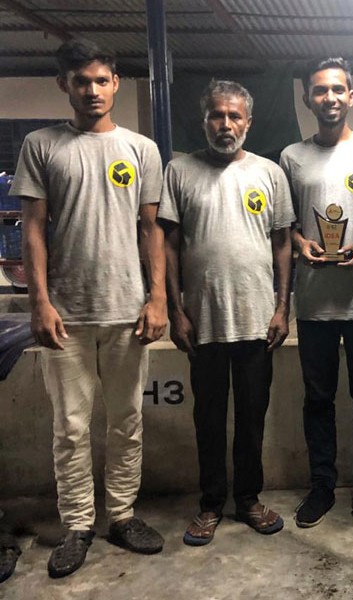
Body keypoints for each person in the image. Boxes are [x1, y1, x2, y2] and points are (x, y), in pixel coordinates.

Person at [12, 39, 167, 578]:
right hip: (67, 315)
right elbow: (32, 227)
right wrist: (40, 302)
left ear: (116, 83)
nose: (93, 91)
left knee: (126, 421)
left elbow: (152, 229)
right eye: (82, 82)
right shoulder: (41, 144)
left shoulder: (142, 149)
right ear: (65, 86)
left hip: (127, 311)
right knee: (71, 427)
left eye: (102, 80)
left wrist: (157, 298)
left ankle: (122, 515)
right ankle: (78, 524)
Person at [159, 80, 294, 546]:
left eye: (235, 117)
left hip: (257, 321)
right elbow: (170, 244)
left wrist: (282, 308)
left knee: (253, 417)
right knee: (210, 419)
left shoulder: (270, 173)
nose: (226, 125)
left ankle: (249, 500)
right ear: (205, 121)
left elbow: (282, 243)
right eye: (217, 116)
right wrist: (176, 311)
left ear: (249, 123)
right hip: (204, 323)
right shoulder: (179, 170)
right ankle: (211, 504)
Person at [280, 58, 353, 528]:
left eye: (338, 89)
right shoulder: (291, 157)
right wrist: (301, 242)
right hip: (314, 300)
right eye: (320, 90)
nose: (330, 98)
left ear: (352, 96)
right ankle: (322, 485)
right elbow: (284, 225)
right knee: (318, 399)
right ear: (307, 98)